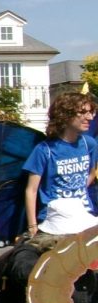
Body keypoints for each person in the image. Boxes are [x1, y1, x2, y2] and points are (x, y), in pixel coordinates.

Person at [24, 91, 98, 237]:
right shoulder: (44, 150)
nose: (89, 117)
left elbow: (91, 174)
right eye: (82, 112)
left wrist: (75, 191)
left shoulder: (89, 144)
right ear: (66, 115)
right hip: (54, 220)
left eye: (91, 112)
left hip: (83, 214)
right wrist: (32, 226)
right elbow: (31, 190)